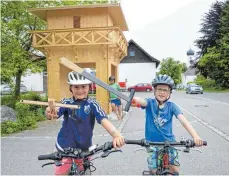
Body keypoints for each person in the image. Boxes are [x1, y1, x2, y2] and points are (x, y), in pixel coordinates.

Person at [45, 71, 125, 175]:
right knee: (61, 173)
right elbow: (55, 111)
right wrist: (49, 111)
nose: (80, 90)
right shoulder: (66, 102)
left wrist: (116, 135)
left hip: (84, 149)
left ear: (89, 87)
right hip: (64, 147)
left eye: (83, 86)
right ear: (71, 88)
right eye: (76, 87)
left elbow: (104, 120)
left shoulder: (93, 104)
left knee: (84, 172)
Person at [131, 74, 204, 174]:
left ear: (170, 93)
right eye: (159, 89)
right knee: (153, 170)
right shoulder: (150, 103)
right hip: (152, 143)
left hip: (169, 142)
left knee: (174, 170)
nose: (162, 92)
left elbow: (183, 121)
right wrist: (137, 100)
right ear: (154, 91)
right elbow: (142, 102)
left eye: (165, 90)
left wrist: (195, 136)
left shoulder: (172, 106)